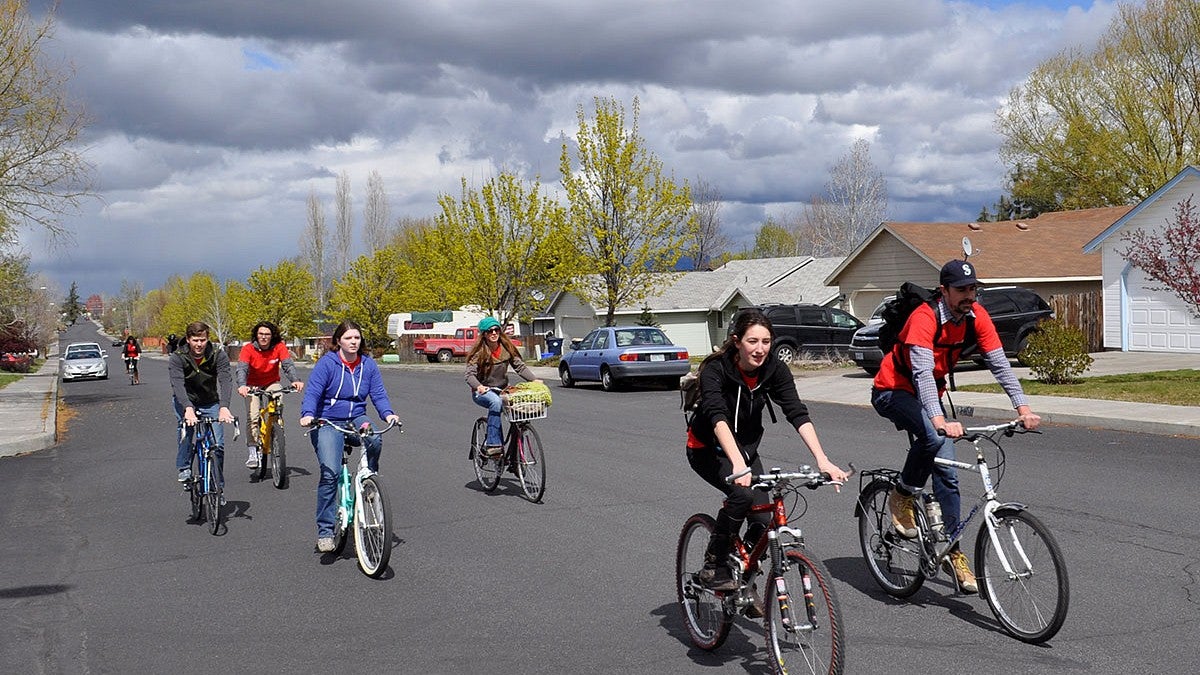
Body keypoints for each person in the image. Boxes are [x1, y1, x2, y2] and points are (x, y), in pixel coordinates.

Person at [871, 259, 1041, 594]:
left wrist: (1023, 407)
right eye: (961, 289)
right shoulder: (924, 317)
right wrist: (938, 420)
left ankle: (951, 550)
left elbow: (999, 363)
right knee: (934, 437)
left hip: (929, 395)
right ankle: (902, 496)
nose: (969, 295)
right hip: (892, 390)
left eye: (973, 289)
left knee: (947, 472)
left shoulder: (977, 316)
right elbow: (920, 373)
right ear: (944, 290)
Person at [687, 309, 850, 593]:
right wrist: (738, 464)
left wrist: (822, 460)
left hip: (746, 453)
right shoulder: (717, 369)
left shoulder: (774, 369)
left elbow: (797, 413)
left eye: (766, 341)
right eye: (752, 341)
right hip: (707, 449)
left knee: (763, 519)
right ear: (737, 341)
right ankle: (715, 564)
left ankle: (743, 571)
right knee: (741, 495)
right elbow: (717, 417)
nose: (760, 349)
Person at [299, 320, 400, 553]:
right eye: (348, 338)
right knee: (330, 473)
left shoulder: (368, 365)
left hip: (356, 417)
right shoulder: (327, 364)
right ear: (338, 341)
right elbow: (313, 391)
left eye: (357, 338)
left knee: (374, 437)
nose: (353, 342)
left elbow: (378, 394)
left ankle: (369, 480)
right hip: (327, 421)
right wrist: (308, 414)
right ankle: (325, 531)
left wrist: (388, 414)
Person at [168, 322, 235, 489]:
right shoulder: (177, 357)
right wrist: (188, 409)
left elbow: (226, 380)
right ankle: (184, 468)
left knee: (217, 444)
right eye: (196, 340)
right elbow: (177, 384)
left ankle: (217, 487)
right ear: (188, 339)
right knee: (186, 432)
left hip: (209, 401)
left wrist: (224, 406)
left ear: (208, 339)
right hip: (185, 400)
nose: (199, 344)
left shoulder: (217, 355)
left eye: (203, 340)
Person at [465, 316, 541, 456]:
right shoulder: (479, 353)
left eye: (496, 330)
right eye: (489, 331)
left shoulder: (506, 348)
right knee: (495, 402)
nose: (493, 333)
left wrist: (534, 380)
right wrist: (479, 386)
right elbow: (469, 375)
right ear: (484, 335)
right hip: (483, 391)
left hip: (502, 389)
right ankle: (493, 444)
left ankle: (515, 458)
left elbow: (520, 367)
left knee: (520, 409)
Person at [236, 321, 305, 469]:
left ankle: (276, 427)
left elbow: (288, 365)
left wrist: (295, 381)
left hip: (271, 382)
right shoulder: (248, 349)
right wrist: (242, 385)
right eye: (261, 334)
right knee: (253, 416)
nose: (264, 337)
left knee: (278, 396)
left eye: (267, 334)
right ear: (256, 335)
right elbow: (241, 368)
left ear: (272, 335)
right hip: (251, 385)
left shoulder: (279, 347)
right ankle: (253, 450)